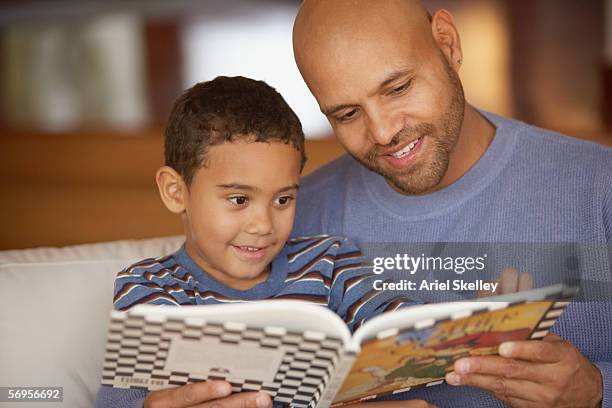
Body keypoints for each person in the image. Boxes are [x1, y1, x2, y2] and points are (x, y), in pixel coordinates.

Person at [290, 1, 612, 407]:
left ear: (448, 43)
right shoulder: (293, 219)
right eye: (348, 113)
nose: (384, 131)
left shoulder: (600, 188)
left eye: (397, 88)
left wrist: (595, 389)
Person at [95, 76, 430, 408]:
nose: (263, 225)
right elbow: (120, 399)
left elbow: (393, 322)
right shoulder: (152, 288)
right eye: (239, 199)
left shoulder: (329, 263)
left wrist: (438, 333)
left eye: (282, 200)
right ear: (175, 191)